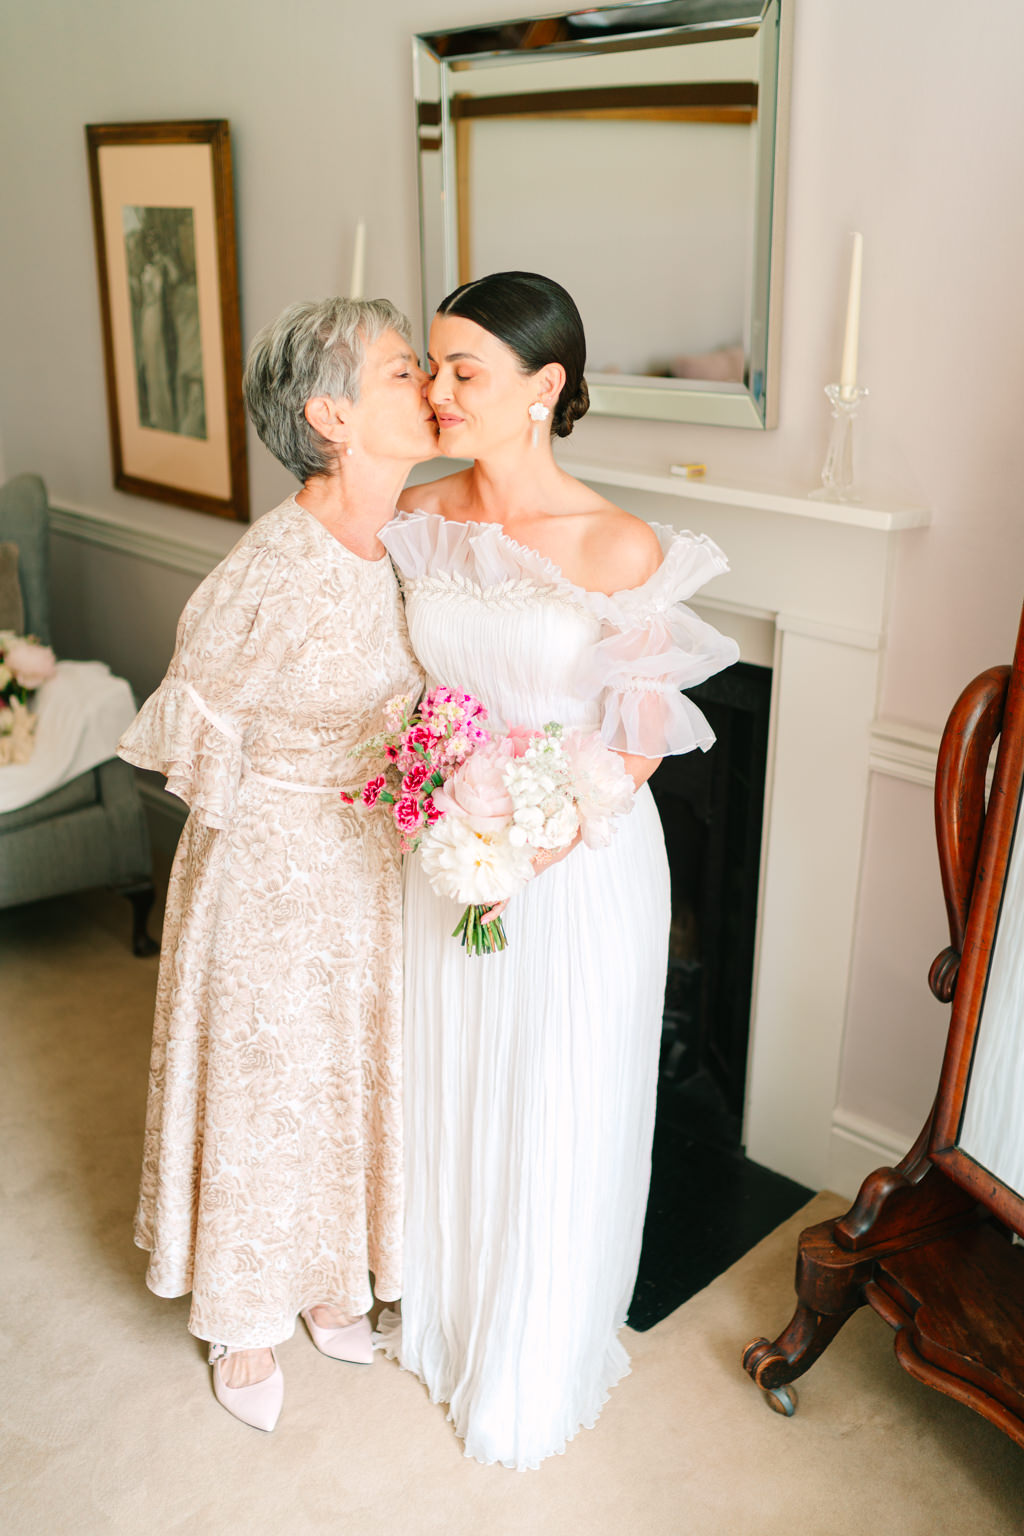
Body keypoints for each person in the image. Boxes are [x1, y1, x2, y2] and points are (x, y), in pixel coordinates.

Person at [376, 271, 739, 1469]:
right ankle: (443, 1304)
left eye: (461, 370)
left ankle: (530, 1352)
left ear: (543, 387)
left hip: (573, 866)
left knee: (551, 1095)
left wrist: (520, 845)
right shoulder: (422, 515)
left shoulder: (617, 542)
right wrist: (457, 826)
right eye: (430, 366)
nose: (435, 392)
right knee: (451, 1073)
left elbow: (633, 742)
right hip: (454, 848)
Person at [118, 296, 436, 1431]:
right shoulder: (276, 561)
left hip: (366, 858)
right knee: (266, 1084)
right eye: (404, 371)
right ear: (331, 416)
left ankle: (328, 1278)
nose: (429, 384)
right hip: (270, 861)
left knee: (343, 1076)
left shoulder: (406, 539)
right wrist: (256, 872)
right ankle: (245, 1312)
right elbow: (195, 725)